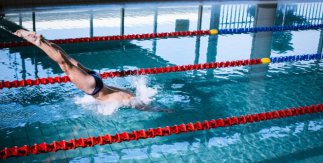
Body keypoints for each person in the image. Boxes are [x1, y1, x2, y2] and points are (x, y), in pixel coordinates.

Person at [14, 29, 137, 107]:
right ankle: (39, 42)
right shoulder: (128, 99)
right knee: (65, 65)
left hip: (97, 79)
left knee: (67, 58)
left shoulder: (128, 94)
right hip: (94, 87)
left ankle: (44, 40)